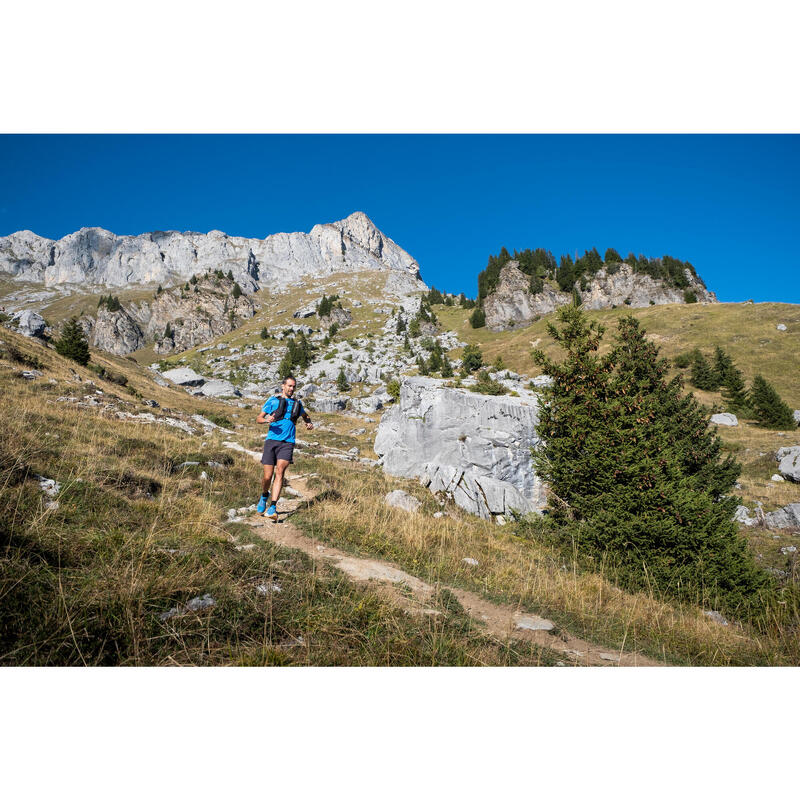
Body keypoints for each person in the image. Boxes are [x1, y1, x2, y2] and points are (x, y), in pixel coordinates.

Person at [255, 375, 313, 521]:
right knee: (267, 476)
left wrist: (308, 423)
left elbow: (305, 416)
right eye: (289, 386)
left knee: (280, 472)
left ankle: (273, 506)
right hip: (272, 441)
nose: (292, 389)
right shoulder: (273, 400)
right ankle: (264, 495)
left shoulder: (297, 404)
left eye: (294, 386)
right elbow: (258, 418)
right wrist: (266, 419)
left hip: (288, 442)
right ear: (283, 386)